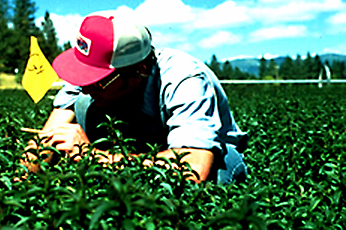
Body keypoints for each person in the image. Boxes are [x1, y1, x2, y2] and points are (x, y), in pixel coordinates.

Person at [22, 12, 248, 184]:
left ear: (139, 72)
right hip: (139, 151)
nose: (86, 87)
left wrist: (94, 156)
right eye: (82, 77)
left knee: (224, 167)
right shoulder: (90, 70)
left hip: (201, 153)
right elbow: (48, 137)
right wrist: (18, 184)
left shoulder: (184, 79)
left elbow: (194, 168)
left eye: (97, 82)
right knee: (82, 105)